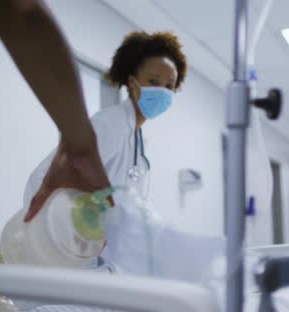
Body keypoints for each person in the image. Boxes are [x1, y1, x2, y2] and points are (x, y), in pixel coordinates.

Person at [0, 0, 112, 221]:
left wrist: (80, 145)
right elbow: (23, 14)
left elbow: (23, 15)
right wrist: (80, 145)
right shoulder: (111, 122)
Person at [23, 31, 187, 214]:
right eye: (153, 81)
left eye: (169, 86)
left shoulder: (135, 138)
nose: (161, 91)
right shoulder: (110, 124)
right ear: (133, 82)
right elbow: (41, 179)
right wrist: (61, 233)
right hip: (71, 241)